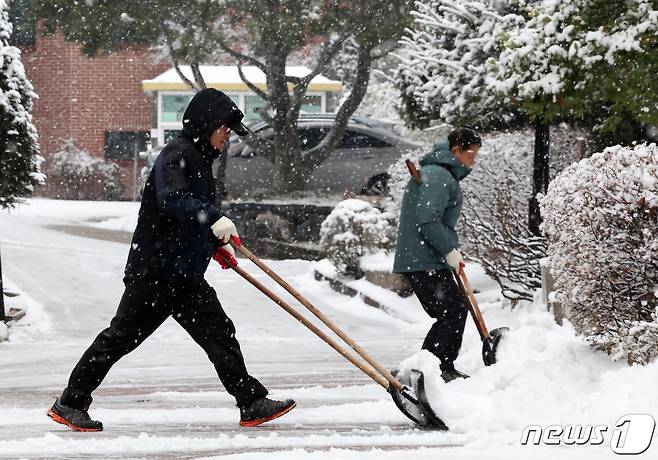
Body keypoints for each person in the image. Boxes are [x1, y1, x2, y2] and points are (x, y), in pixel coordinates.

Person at [47, 88, 296, 432]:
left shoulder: (200, 158)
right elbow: (174, 200)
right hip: (156, 274)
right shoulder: (176, 155)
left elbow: (187, 219)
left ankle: (251, 402)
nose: (227, 136)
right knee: (119, 338)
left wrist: (213, 245)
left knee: (220, 333)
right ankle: (70, 402)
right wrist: (212, 219)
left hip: (185, 276)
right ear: (208, 124)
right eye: (225, 128)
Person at [393, 127, 481, 383]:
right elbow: (428, 220)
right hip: (423, 259)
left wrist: (449, 251)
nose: (473, 160)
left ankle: (425, 369)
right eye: (471, 154)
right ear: (456, 150)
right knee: (452, 311)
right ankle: (437, 370)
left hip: (426, 258)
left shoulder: (439, 173)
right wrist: (448, 250)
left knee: (450, 311)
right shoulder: (438, 175)